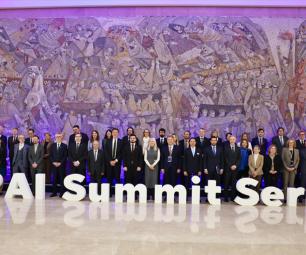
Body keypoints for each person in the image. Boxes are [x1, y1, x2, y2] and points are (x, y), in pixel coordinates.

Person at [223, 135, 241, 202]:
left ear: (235, 140)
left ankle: (233, 197)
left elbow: (239, 159)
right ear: (229, 140)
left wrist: (235, 165)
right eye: (231, 139)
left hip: (235, 169)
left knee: (234, 184)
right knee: (226, 183)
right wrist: (230, 165)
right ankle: (225, 197)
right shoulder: (225, 148)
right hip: (228, 168)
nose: (232, 140)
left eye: (233, 139)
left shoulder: (238, 148)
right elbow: (225, 158)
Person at [50, 133, 67, 197]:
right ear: (55, 138)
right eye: (57, 137)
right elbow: (51, 155)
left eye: (59, 137)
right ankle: (54, 192)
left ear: (61, 138)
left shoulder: (64, 146)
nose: (58, 138)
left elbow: (65, 156)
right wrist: (53, 162)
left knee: (61, 179)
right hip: (54, 165)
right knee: (54, 179)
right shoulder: (52, 145)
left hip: (61, 165)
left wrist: (60, 163)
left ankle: (61, 193)